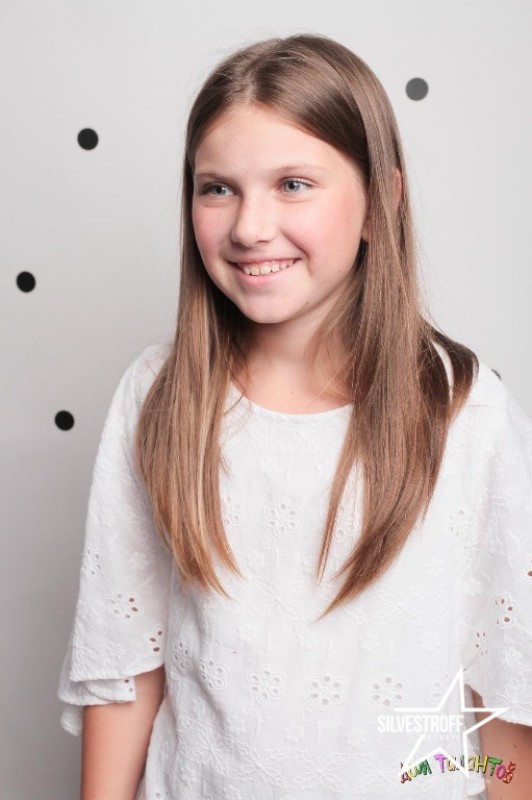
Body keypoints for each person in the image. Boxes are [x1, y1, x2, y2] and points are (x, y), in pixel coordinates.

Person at [57, 33, 532, 800]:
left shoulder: (463, 414)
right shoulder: (159, 396)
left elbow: (506, 702)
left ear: (381, 201)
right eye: (218, 188)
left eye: (293, 184)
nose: (249, 227)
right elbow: (126, 663)